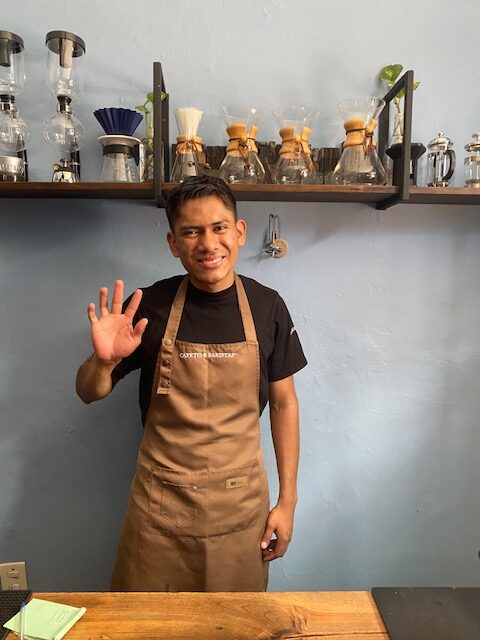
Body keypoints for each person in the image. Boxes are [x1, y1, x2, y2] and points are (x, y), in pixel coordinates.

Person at [76, 175, 307, 592]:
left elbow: (284, 403)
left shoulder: (267, 306)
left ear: (239, 232)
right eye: (191, 232)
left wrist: (287, 502)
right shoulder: (148, 307)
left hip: (241, 507)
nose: (208, 243)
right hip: (160, 509)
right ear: (173, 243)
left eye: (219, 228)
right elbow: (89, 392)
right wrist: (102, 362)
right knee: (149, 621)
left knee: (235, 621)